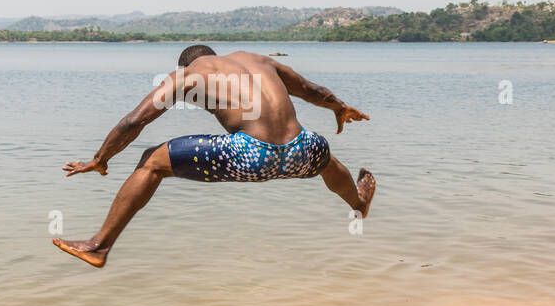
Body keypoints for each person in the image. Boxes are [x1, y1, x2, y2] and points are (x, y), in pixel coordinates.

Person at [52, 45, 374, 267]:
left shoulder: (187, 76)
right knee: (324, 156)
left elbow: (134, 122)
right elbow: (312, 90)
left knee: (152, 161)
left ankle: (99, 246)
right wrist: (340, 108)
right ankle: (358, 203)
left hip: (252, 154)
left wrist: (100, 159)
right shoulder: (258, 60)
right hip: (303, 150)